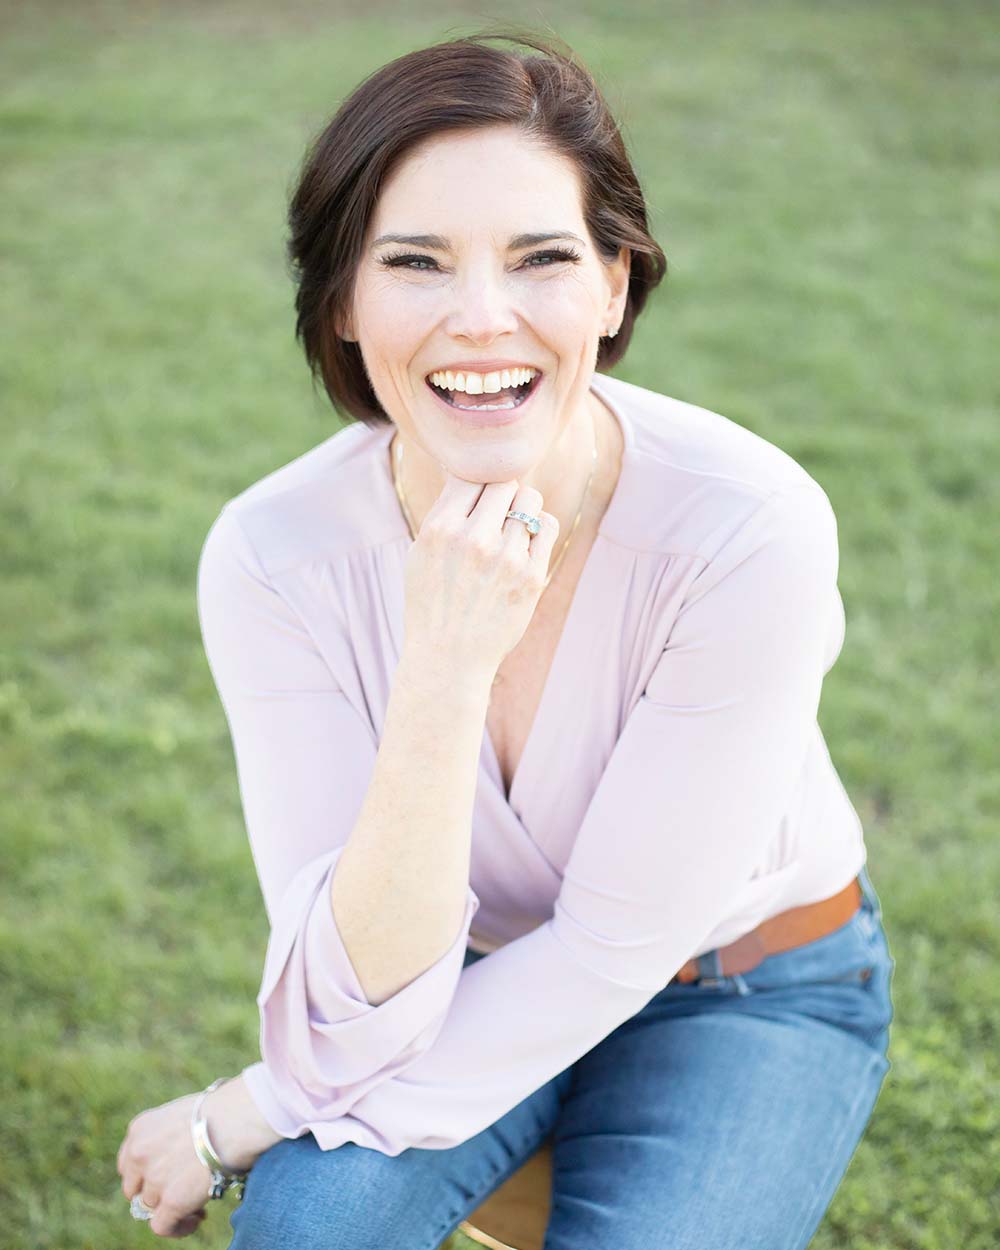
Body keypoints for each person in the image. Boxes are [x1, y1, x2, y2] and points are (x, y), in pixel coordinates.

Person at [116, 27, 895, 1249]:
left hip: (747, 988)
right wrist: (441, 666)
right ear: (341, 301)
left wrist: (248, 1108)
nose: (482, 321)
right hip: (458, 984)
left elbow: (610, 947)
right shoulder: (273, 553)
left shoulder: (751, 527)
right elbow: (348, 981)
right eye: (416, 262)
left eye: (540, 259)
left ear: (615, 283)